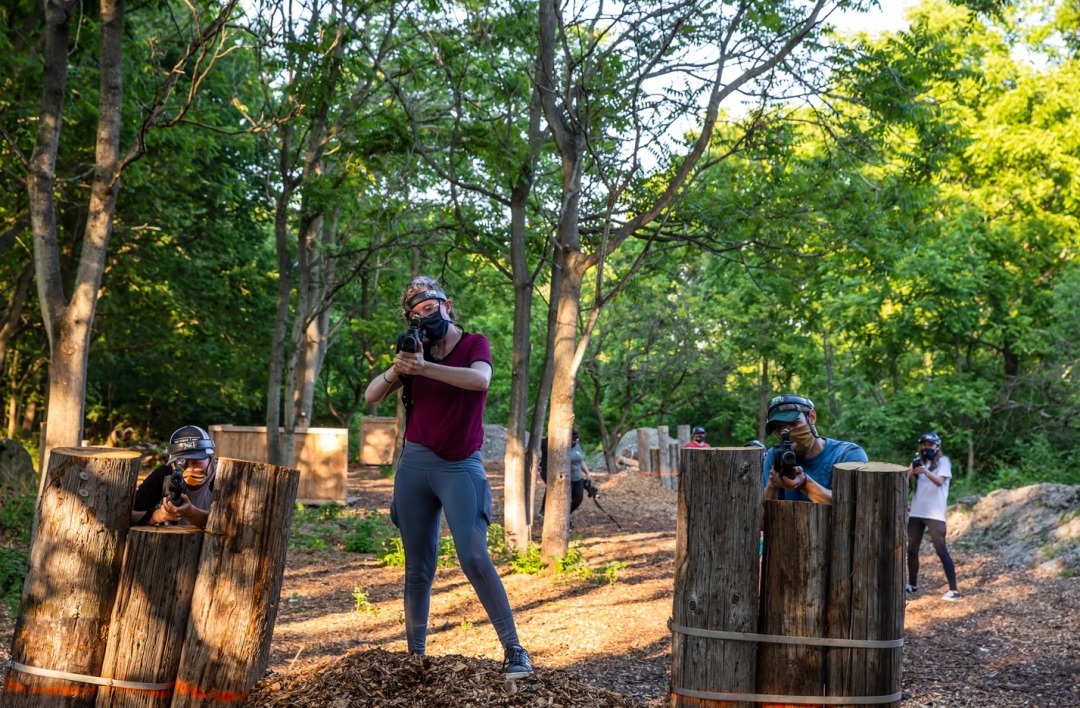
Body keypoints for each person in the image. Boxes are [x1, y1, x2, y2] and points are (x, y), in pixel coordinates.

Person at [364, 275, 533, 680]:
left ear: (447, 304)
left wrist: (426, 369)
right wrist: (398, 370)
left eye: (430, 306)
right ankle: (415, 656)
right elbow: (372, 396)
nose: (425, 315)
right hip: (415, 466)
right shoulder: (415, 350)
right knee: (417, 567)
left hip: (460, 466)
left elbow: (480, 379)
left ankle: (514, 651)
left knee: (474, 556)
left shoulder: (474, 343)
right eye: (416, 312)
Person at [760, 394, 868, 504]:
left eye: (794, 423)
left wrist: (804, 483)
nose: (789, 433)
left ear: (811, 417)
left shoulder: (846, 454)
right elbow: (760, 517)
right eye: (781, 430)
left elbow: (852, 506)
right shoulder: (775, 457)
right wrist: (772, 486)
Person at [906, 432, 961, 601]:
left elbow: (939, 481)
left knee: (941, 549)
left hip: (935, 513)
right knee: (911, 549)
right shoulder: (920, 462)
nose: (927, 447)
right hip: (916, 511)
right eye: (924, 444)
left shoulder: (944, 462)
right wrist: (911, 470)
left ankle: (954, 590)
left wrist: (925, 471)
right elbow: (905, 481)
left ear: (937, 446)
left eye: (930, 445)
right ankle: (912, 584)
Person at [130, 425, 217, 529]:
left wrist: (190, 512)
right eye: (181, 463)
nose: (189, 469)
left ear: (211, 458)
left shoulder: (224, 476)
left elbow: (230, 521)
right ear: (171, 463)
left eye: (196, 461)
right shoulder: (164, 475)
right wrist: (157, 516)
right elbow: (128, 515)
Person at [538, 429, 592, 516]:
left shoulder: (577, 446)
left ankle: (566, 514)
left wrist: (587, 473)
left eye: (576, 440)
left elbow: (581, 460)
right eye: (573, 440)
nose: (575, 442)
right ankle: (554, 514)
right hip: (564, 476)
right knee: (562, 498)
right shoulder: (557, 446)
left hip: (578, 477)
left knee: (578, 499)